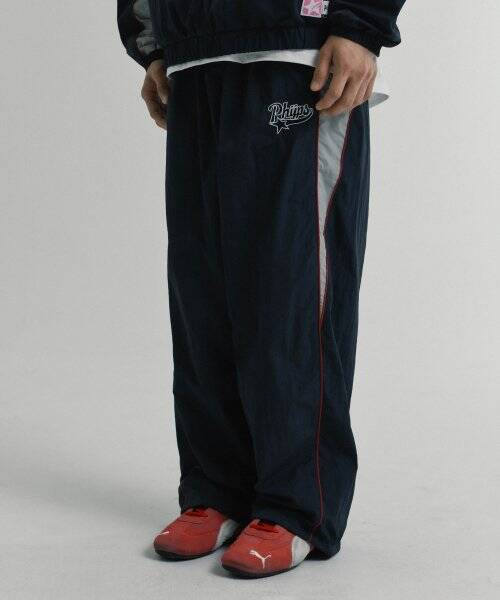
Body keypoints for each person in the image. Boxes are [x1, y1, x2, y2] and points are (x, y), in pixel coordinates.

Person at [118, 0, 406, 579]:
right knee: (203, 293)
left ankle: (296, 506)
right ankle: (217, 490)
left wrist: (360, 24)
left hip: (298, 52)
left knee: (291, 289)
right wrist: (153, 42)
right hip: (195, 57)